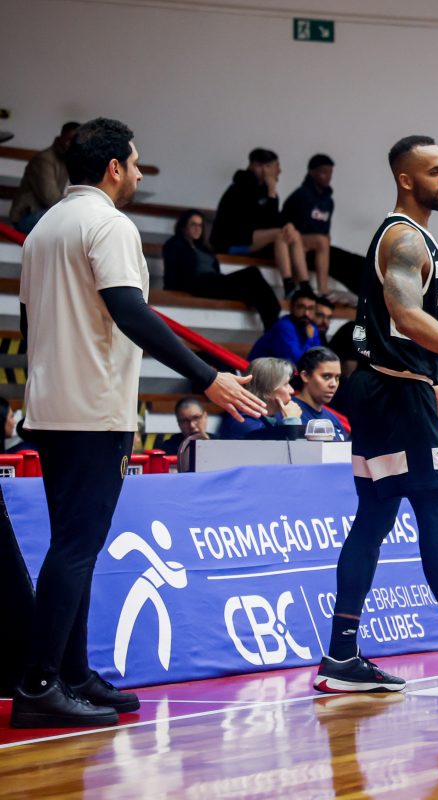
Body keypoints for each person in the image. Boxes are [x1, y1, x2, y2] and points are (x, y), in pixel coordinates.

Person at [13, 117, 264, 728]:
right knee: (76, 548)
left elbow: (27, 325)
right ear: (113, 169)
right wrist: (206, 376)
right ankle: (39, 684)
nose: (139, 175)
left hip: (50, 408)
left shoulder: (43, 228)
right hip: (94, 410)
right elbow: (131, 312)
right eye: (134, 164)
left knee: (73, 546)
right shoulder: (109, 224)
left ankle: (72, 674)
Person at [313, 134, 438, 695]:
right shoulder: (406, 240)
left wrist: (429, 381)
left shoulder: (402, 236)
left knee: (374, 520)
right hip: (396, 399)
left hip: (385, 389)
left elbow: (392, 332)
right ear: (406, 180)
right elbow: (404, 315)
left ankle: (341, 655)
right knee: (436, 517)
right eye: (434, 171)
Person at [210, 148, 310, 295]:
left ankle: (305, 287)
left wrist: (286, 224)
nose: (279, 171)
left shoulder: (265, 189)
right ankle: (288, 284)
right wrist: (271, 192)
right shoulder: (242, 185)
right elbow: (259, 223)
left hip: (252, 238)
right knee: (279, 234)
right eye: (276, 166)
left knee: (293, 234)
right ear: (262, 167)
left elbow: (273, 221)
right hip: (232, 242)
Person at [162, 209, 280, 330]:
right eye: (193, 225)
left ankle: (272, 319)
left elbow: (215, 270)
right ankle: (273, 319)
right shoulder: (174, 244)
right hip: (198, 283)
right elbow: (170, 273)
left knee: (252, 280)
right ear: (183, 227)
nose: (197, 229)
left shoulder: (204, 248)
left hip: (215, 281)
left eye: (200, 225)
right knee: (251, 275)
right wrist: (169, 294)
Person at [9, 122, 79, 233]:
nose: (68, 143)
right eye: (67, 139)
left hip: (50, 213)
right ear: (60, 138)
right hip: (26, 217)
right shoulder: (44, 160)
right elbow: (51, 200)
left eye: (73, 141)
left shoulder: (70, 160)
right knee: (71, 220)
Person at [282, 154, 334, 295]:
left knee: (325, 241)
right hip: (292, 239)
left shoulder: (329, 201)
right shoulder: (301, 196)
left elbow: (325, 230)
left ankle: (321, 290)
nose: (328, 177)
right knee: (322, 241)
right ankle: (320, 289)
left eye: (330, 172)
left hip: (313, 242)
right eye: (324, 172)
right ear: (312, 172)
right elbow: (295, 227)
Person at [217, 357, 301, 440]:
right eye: (286, 384)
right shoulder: (244, 423)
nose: (292, 391)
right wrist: (292, 422)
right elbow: (278, 448)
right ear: (267, 390)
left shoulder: (277, 417)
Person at [248, 283, 321, 363]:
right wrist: (310, 339)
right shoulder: (284, 327)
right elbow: (297, 361)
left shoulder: (311, 327)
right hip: (259, 370)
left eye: (311, 308)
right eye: (301, 307)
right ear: (291, 307)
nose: (306, 313)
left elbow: (318, 358)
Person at [294, 347, 347, 441]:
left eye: (337, 377)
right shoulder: (289, 413)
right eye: (326, 376)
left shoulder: (333, 419)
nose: (333, 384)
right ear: (305, 376)